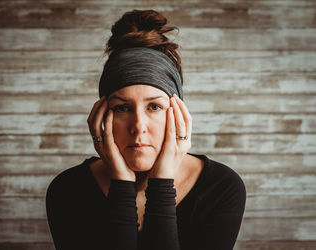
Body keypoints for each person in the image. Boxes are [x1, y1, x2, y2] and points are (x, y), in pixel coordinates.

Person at [46, 9, 246, 250]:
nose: (139, 126)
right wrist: (122, 185)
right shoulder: (69, 191)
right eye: (122, 108)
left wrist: (162, 182)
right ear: (101, 115)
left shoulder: (220, 187)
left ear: (177, 113)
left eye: (154, 106)